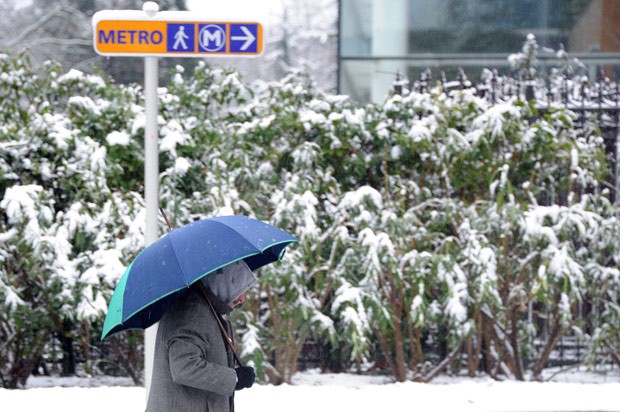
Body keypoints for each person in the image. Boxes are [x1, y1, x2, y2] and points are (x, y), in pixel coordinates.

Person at [146, 260, 257, 412]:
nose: (242, 298)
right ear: (222, 281)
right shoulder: (192, 311)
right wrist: (234, 378)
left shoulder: (205, 308)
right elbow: (184, 366)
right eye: (238, 287)